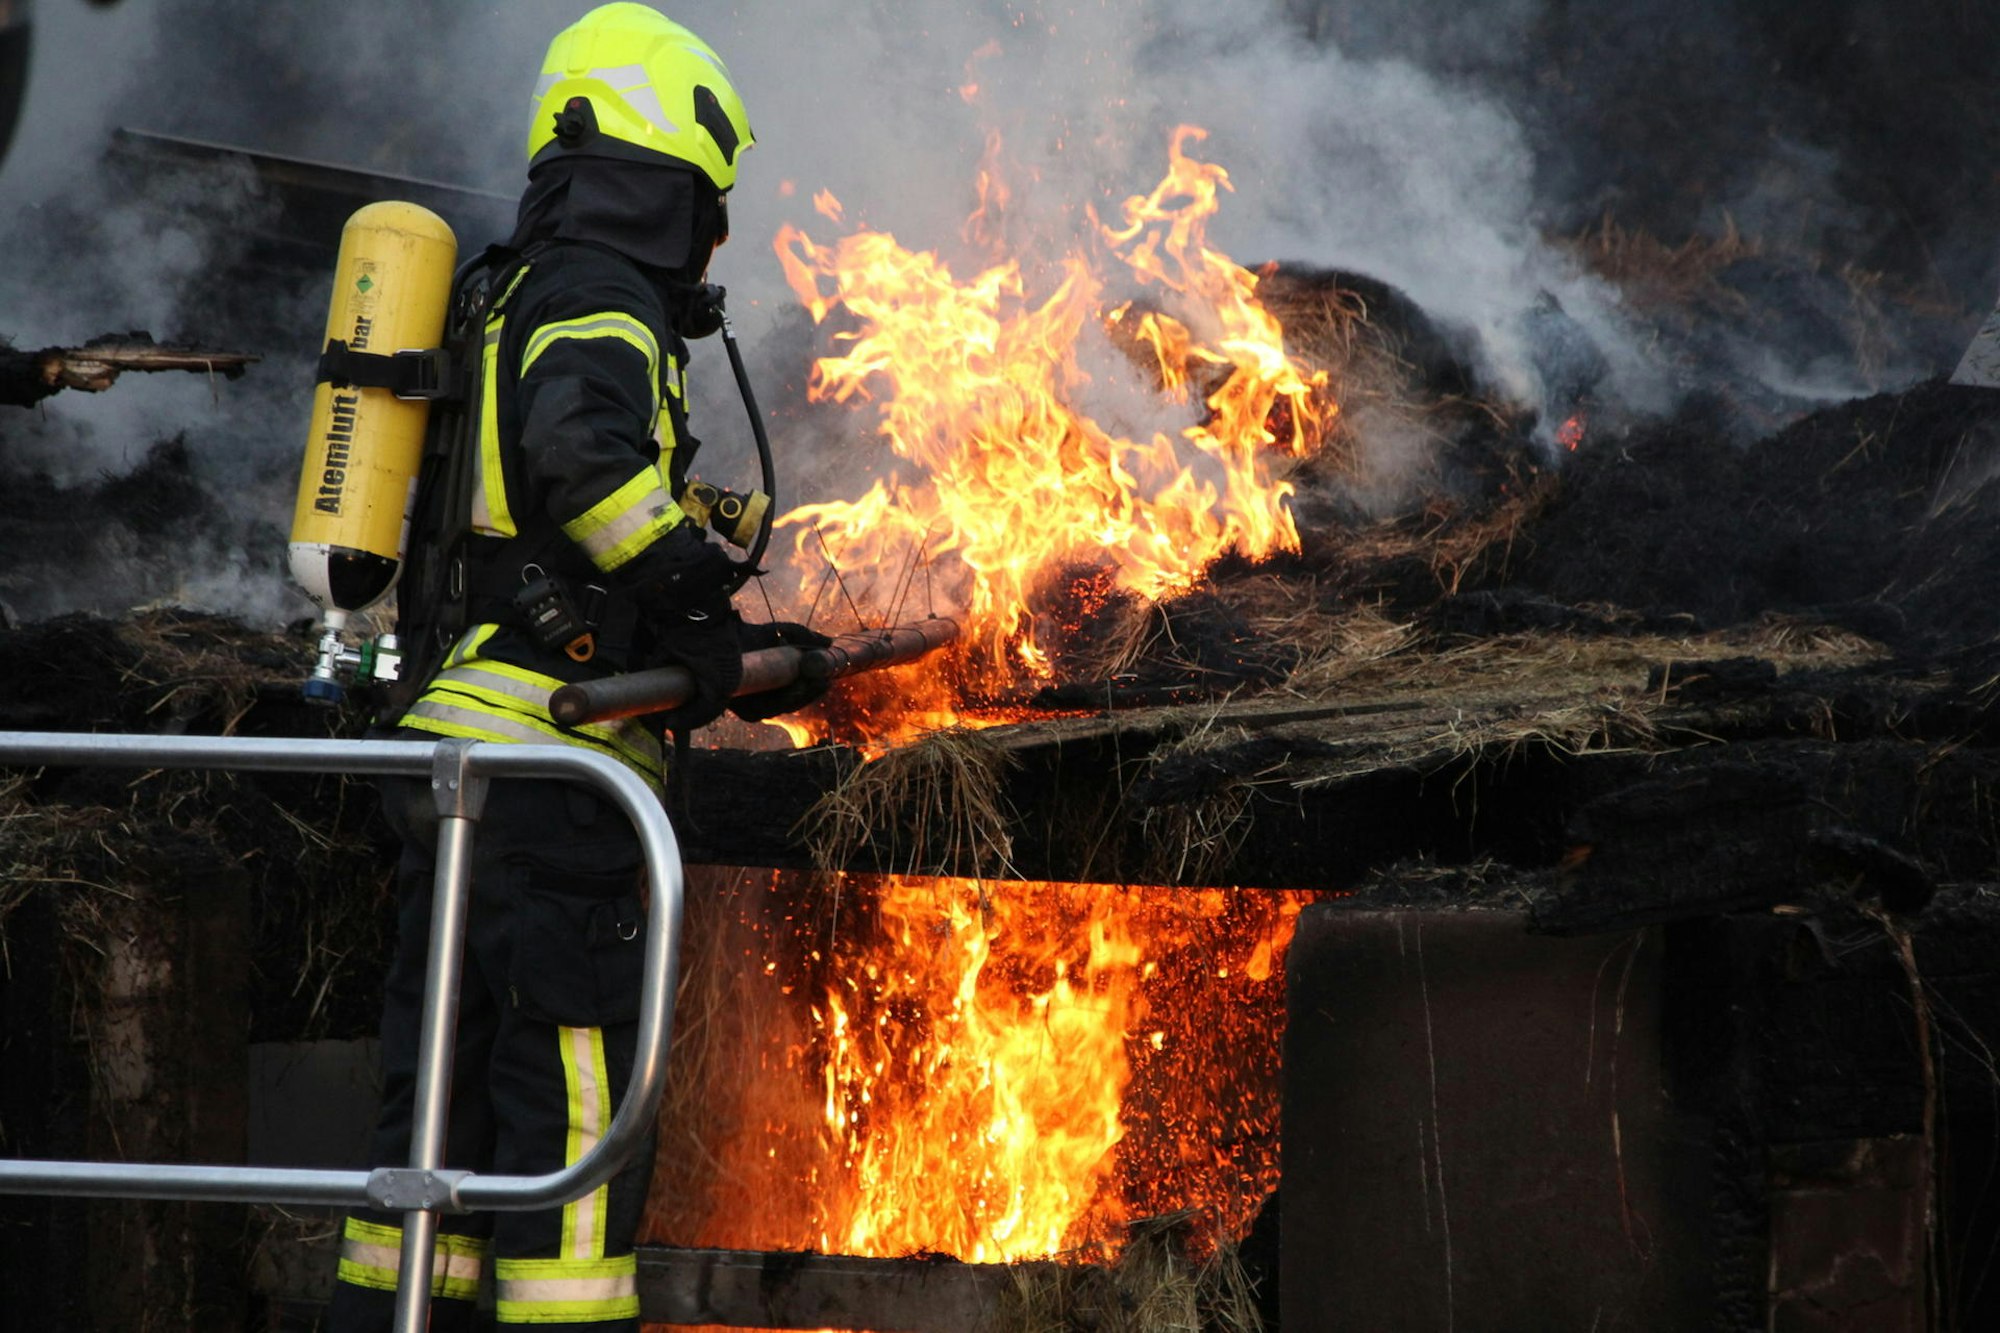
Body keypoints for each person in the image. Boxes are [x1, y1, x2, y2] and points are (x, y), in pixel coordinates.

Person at [327, 6, 805, 1328]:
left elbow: (518, 509)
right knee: (572, 1103)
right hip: (557, 768)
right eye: (711, 204)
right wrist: (697, 600)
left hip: (457, 761)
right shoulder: (598, 294)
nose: (713, 235)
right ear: (671, 177)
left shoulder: (506, 292)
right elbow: (585, 463)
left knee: (439, 1101)